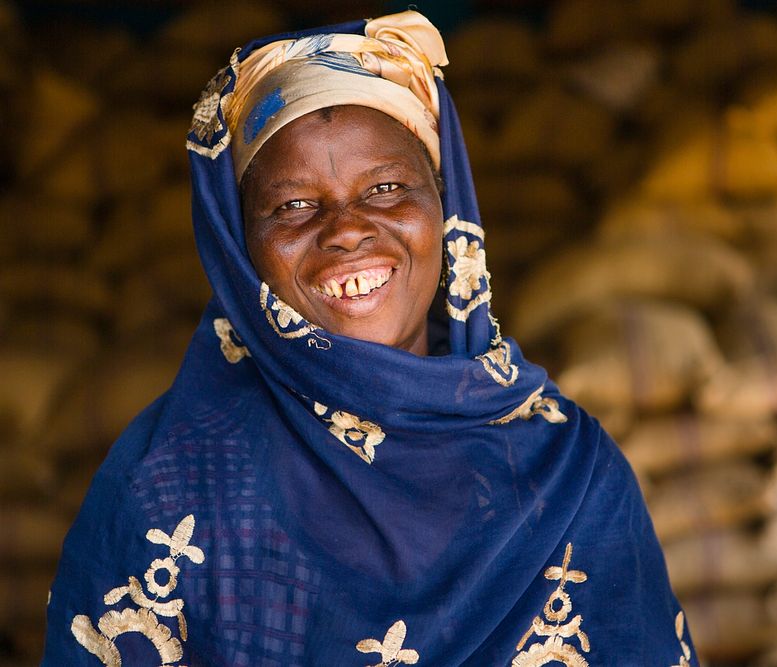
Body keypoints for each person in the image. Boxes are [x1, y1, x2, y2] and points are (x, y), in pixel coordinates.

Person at [42, 11, 696, 666]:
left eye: (386, 188)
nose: (346, 229)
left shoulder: (568, 471)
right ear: (240, 247)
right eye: (293, 205)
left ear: (445, 205)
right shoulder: (172, 485)